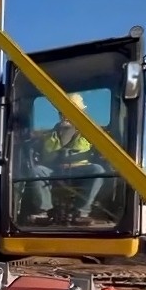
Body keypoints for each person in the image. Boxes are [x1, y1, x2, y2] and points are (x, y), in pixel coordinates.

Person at [30, 92, 107, 220]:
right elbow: (35, 150)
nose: (65, 115)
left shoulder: (91, 132)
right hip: (55, 171)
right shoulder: (48, 135)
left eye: (71, 111)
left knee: (98, 170)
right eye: (62, 111)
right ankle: (45, 210)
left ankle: (81, 211)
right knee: (37, 171)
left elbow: (102, 149)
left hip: (80, 171)